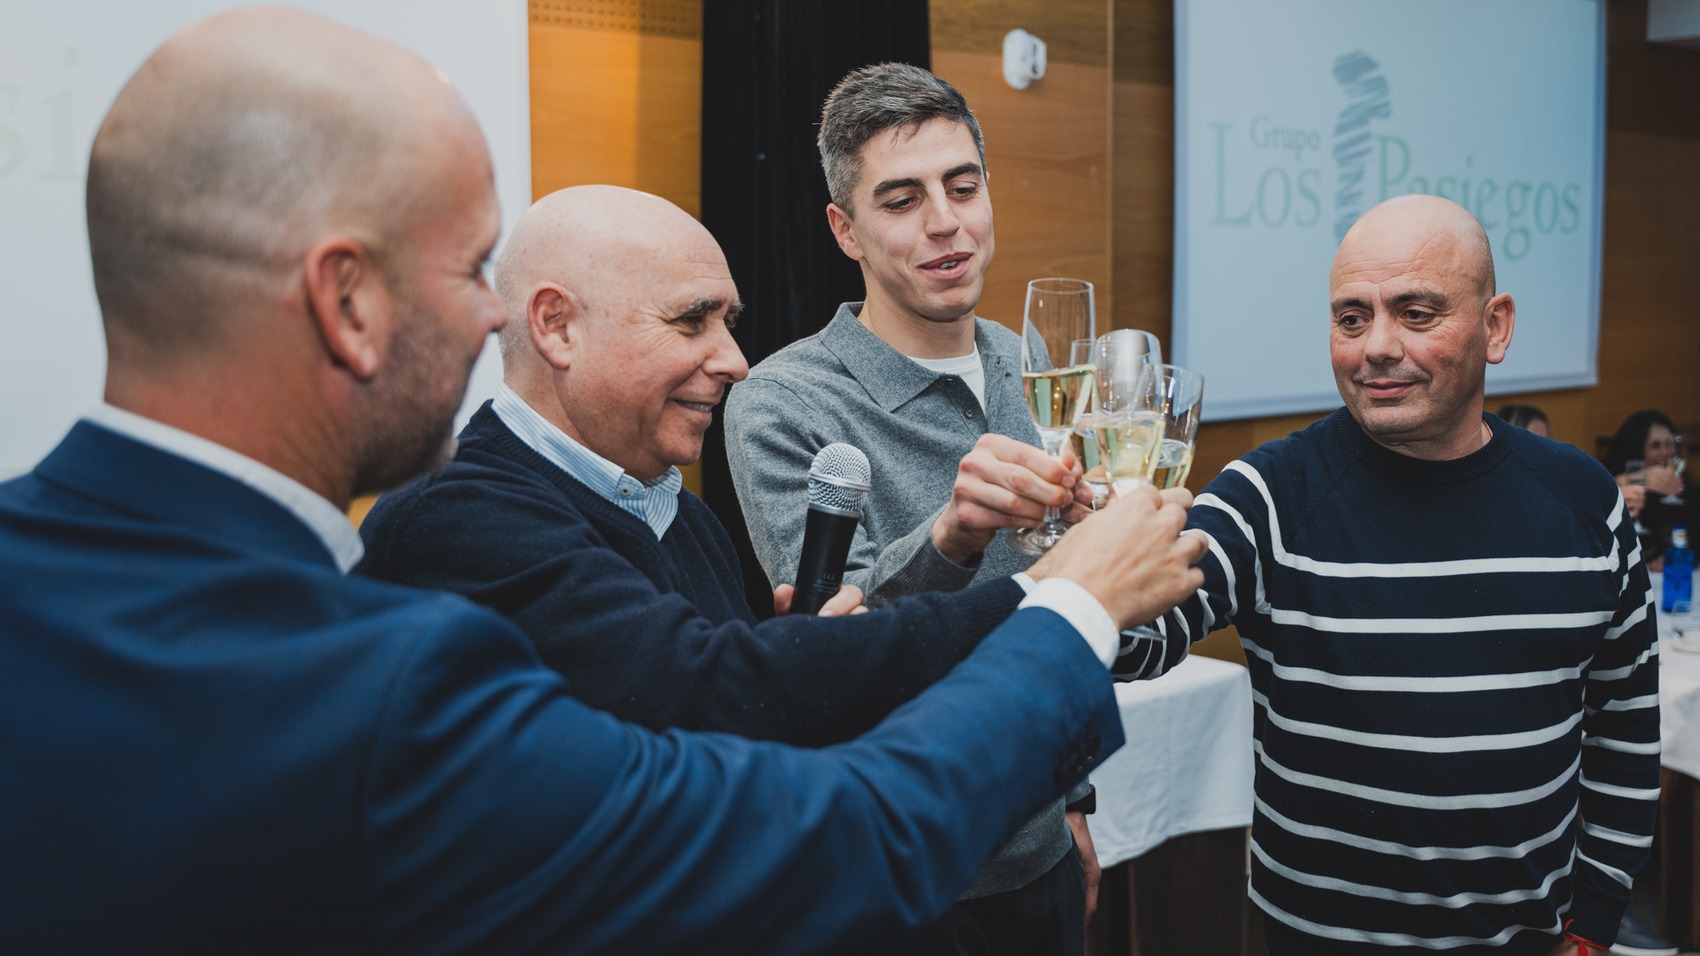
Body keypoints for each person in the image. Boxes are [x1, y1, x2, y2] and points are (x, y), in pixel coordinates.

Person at [0, 9, 1215, 953]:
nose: (492, 315)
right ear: (347, 300)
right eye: (472, 266)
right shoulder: (392, 666)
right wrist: (1070, 600)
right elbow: (838, 825)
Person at [356, 184, 1128, 750]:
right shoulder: (453, 520)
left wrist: (810, 657)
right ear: (557, 326)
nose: (734, 362)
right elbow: (708, 695)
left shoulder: (683, 517)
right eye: (692, 320)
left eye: (728, 323)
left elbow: (732, 744)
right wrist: (1062, 593)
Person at [1151, 194, 1660, 954]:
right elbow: (1132, 643)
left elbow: (1625, 725)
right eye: (1351, 318)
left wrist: (1593, 924)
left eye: (1416, 313)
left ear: (1496, 327)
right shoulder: (1268, 495)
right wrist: (1061, 543)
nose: (1375, 347)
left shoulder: (1584, 502)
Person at [724, 62, 1129, 956]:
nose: (946, 223)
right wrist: (951, 530)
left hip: (1037, 844)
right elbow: (832, 653)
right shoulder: (781, 401)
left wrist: (1071, 803)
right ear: (846, 231)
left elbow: (1046, 608)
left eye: (963, 186)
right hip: (895, 868)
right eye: (901, 200)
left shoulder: (1030, 360)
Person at [1602, 409, 1691, 569]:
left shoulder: (1682, 487)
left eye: (1669, 444)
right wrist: (1642, 479)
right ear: (1637, 449)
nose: (1665, 453)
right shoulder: (1615, 483)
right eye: (1655, 446)